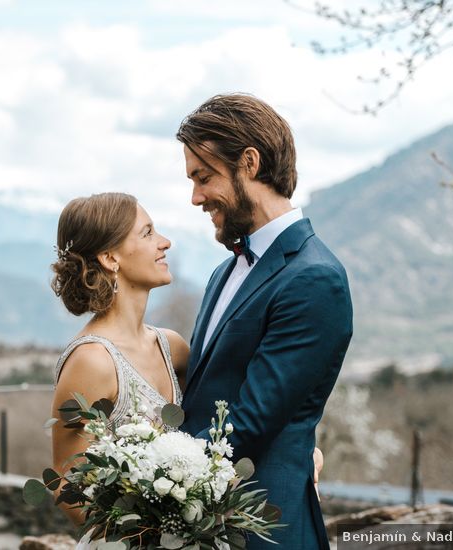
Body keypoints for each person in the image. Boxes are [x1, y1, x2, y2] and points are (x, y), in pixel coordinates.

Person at [177, 93, 353, 550]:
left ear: (249, 163)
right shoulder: (224, 272)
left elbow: (252, 423)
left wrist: (152, 474)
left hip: (266, 530)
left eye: (204, 177)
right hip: (205, 529)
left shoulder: (314, 277)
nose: (195, 196)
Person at [49, 192, 187, 547]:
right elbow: (66, 482)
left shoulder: (173, 348)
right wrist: (142, 540)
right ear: (110, 258)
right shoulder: (93, 361)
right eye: (147, 233)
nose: (164, 242)